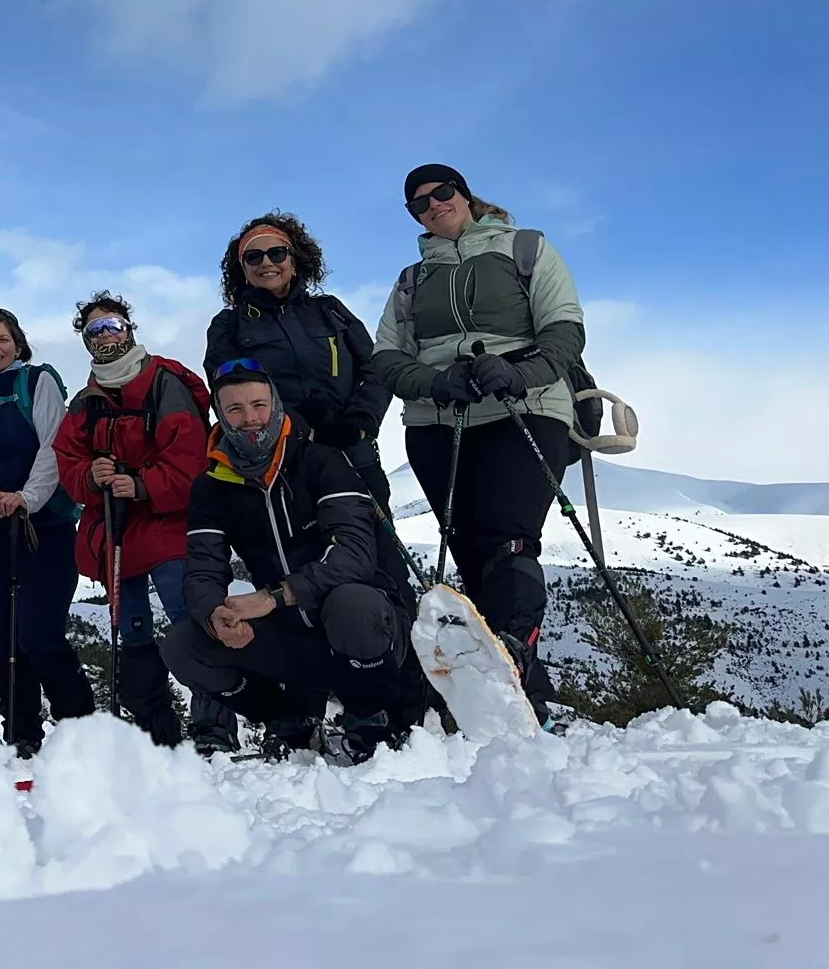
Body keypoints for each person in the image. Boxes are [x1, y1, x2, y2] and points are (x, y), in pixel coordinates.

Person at [372, 164, 586, 722]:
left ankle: (512, 661)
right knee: (470, 553)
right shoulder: (410, 281)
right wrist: (436, 382)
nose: (433, 205)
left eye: (442, 192)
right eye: (419, 204)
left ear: (465, 194)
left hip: (525, 405)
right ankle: (511, 696)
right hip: (438, 418)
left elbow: (564, 327)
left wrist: (523, 373)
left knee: (506, 539)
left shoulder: (526, 247)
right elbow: (388, 359)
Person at [161, 363, 425, 763]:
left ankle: (372, 715)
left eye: (258, 405)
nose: (249, 418)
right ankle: (289, 723)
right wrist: (214, 614)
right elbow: (202, 570)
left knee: (351, 604)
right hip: (293, 638)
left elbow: (354, 555)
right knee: (184, 646)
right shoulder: (212, 486)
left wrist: (272, 598)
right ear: (219, 414)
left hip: (362, 627)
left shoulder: (321, 461)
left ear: (276, 405)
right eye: (234, 409)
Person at [53, 292, 232, 751]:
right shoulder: (85, 402)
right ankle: (157, 736)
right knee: (132, 631)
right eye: (94, 330)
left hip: (168, 524)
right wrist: (91, 477)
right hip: (114, 530)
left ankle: (214, 729)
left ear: (128, 328)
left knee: (190, 619)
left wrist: (142, 484)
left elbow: (190, 456)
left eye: (111, 325)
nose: (105, 336)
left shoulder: (163, 382)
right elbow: (68, 460)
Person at [0, 308, 92, 756]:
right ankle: (21, 734)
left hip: (43, 526)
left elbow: (55, 444)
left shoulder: (39, 381)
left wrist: (27, 497)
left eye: (2, 338)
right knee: (4, 637)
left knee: (40, 631)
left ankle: (82, 729)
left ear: (18, 343)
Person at [203, 213, 393, 503]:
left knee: (377, 542)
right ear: (243, 269)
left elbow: (378, 367)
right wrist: (293, 428)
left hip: (352, 448)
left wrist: (361, 420)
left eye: (277, 253)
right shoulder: (229, 325)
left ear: (294, 260)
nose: (266, 263)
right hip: (283, 459)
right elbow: (227, 391)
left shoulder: (330, 310)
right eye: (254, 257)